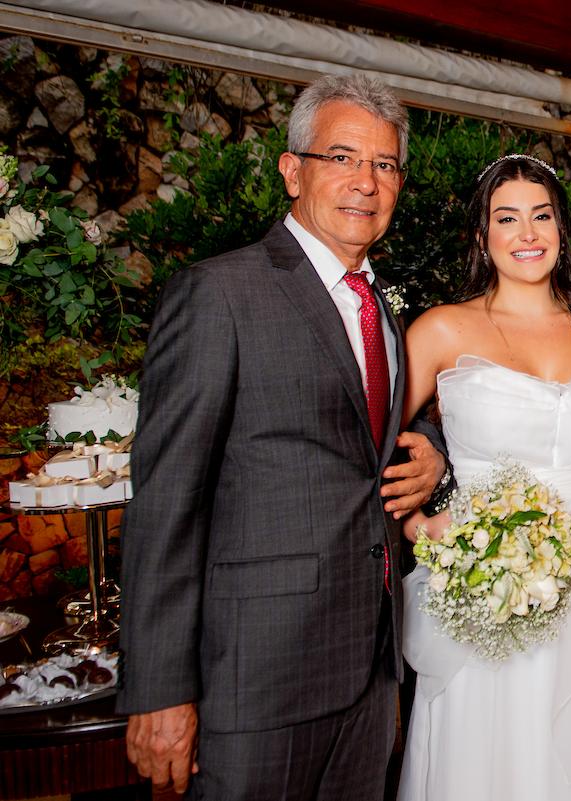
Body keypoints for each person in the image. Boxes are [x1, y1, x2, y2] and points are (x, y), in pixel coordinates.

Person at [117, 74, 448, 799]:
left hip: (368, 671)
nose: (365, 181)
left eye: (385, 165)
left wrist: (432, 455)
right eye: (342, 157)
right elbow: (167, 501)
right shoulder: (220, 294)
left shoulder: (383, 308)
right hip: (255, 681)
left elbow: (376, 436)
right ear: (292, 170)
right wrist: (159, 688)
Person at [396, 154, 571, 800]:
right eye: (507, 218)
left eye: (542, 216)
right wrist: (418, 523)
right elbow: (364, 440)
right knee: (500, 753)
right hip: (491, 578)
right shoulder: (442, 328)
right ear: (482, 237)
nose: (527, 233)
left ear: (561, 230)